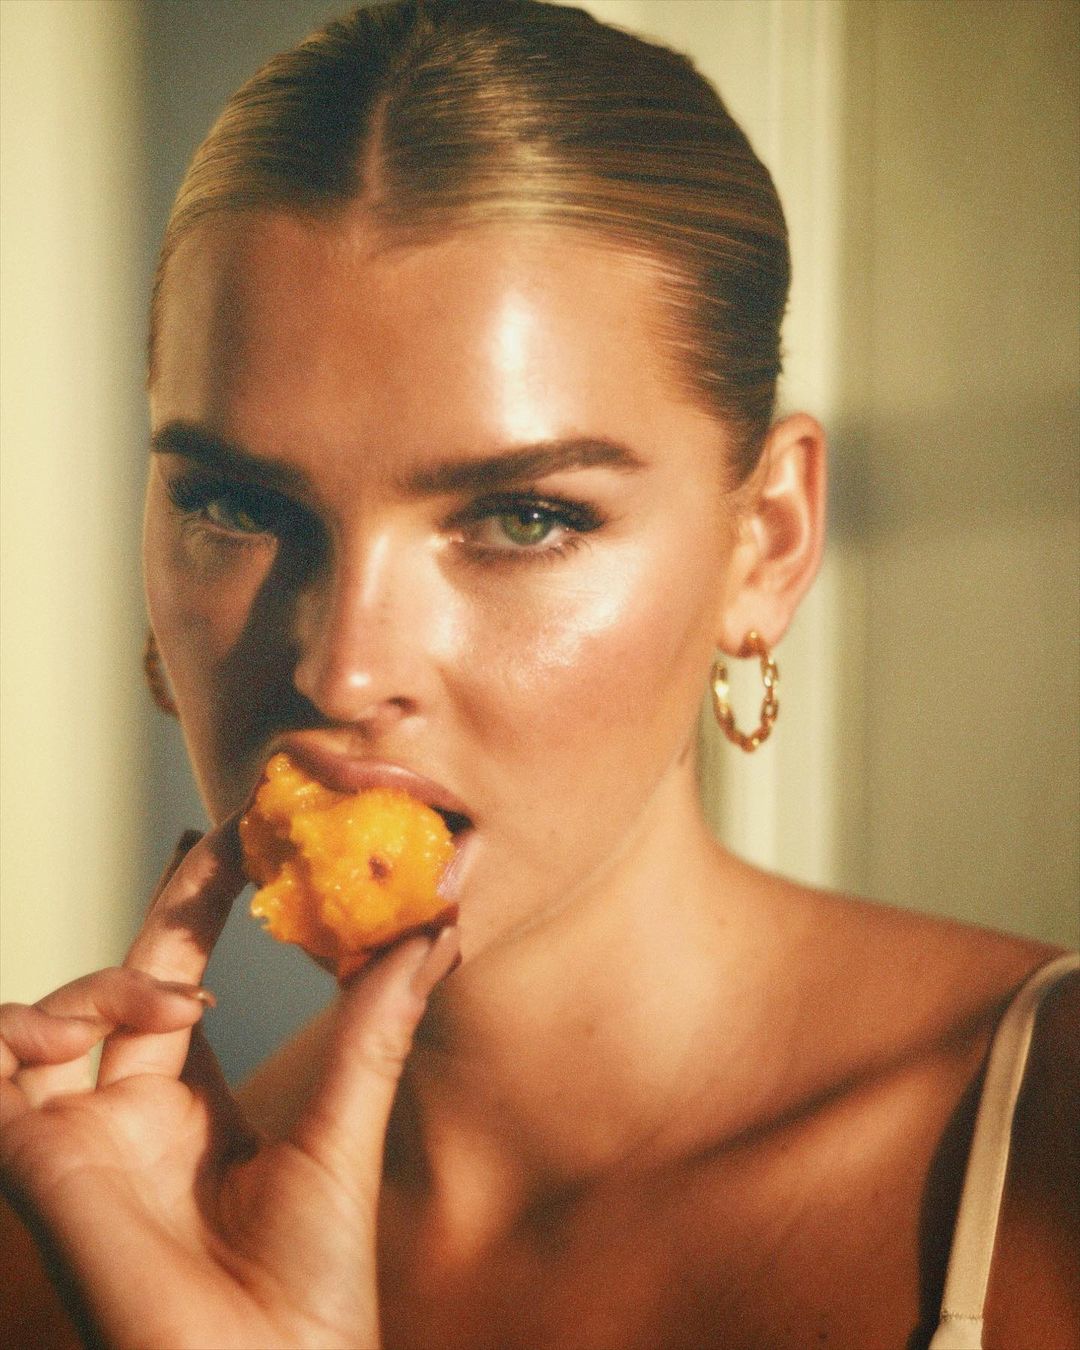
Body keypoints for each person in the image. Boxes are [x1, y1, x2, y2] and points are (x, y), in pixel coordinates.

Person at [1, 2, 1076, 1347]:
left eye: (524, 518)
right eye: (238, 504)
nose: (342, 669)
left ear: (768, 542)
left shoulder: (1047, 1149)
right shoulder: (70, 1256)